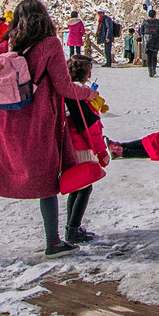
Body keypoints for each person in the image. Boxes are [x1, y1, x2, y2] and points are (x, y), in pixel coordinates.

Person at [0, 0, 94, 259]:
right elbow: (63, 86)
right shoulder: (50, 45)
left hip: (3, 121)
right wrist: (88, 94)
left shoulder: (4, 44)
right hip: (37, 120)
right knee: (45, 180)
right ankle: (53, 242)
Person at [61, 53, 108, 242]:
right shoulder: (84, 97)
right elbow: (92, 128)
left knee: (75, 186)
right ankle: (73, 228)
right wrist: (101, 152)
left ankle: (71, 226)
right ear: (88, 74)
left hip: (67, 144)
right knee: (84, 188)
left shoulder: (66, 93)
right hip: (81, 146)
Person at [140, 7, 159, 77]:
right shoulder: (158, 22)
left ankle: (149, 70)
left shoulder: (145, 22)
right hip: (156, 39)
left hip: (147, 40)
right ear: (155, 15)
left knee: (148, 56)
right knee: (154, 56)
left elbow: (142, 31)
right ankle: (154, 69)